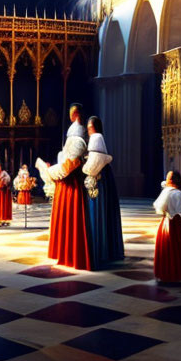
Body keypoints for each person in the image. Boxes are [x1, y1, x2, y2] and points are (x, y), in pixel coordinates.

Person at [37, 134, 92, 270]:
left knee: (71, 219)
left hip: (70, 190)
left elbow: (64, 170)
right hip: (66, 189)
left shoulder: (74, 160)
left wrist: (46, 169)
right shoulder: (73, 159)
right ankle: (64, 252)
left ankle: (71, 255)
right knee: (65, 220)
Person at [83, 116, 124, 266]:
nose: (88, 130)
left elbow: (94, 163)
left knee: (98, 211)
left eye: (89, 126)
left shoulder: (96, 137)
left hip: (97, 179)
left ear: (94, 127)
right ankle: (106, 249)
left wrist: (83, 169)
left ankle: (99, 250)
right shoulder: (98, 138)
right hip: (103, 178)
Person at [153, 170, 181, 282]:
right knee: (176, 246)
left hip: (168, 221)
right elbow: (178, 207)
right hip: (174, 221)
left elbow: (159, 207)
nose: (167, 180)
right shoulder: (177, 193)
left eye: (169, 178)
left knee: (169, 245)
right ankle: (176, 271)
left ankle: (168, 272)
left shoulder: (168, 192)